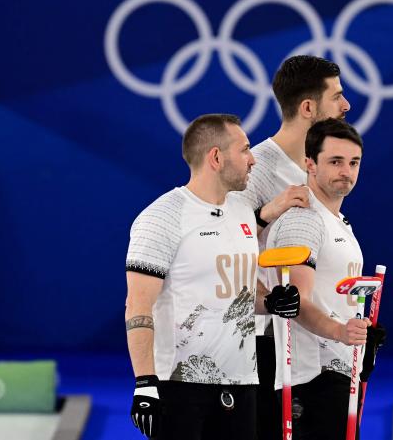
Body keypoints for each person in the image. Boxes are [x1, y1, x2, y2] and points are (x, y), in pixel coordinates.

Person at [124, 114, 300, 440]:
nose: (253, 160)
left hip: (243, 381)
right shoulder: (162, 217)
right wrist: (145, 383)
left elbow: (239, 295)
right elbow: (137, 305)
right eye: (245, 150)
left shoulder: (242, 212)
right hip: (180, 386)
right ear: (216, 158)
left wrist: (273, 302)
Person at [238, 55, 353, 440]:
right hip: (264, 346)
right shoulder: (254, 170)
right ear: (308, 108)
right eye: (336, 96)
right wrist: (265, 213)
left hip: (313, 340)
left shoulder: (319, 164)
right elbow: (217, 248)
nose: (346, 105)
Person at [266, 118, 384, 440]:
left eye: (353, 162)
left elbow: (334, 299)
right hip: (314, 379)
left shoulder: (338, 222)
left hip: (340, 373)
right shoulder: (304, 221)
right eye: (335, 161)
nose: (346, 171)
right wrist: (340, 331)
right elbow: (296, 302)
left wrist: (360, 336)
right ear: (310, 164)